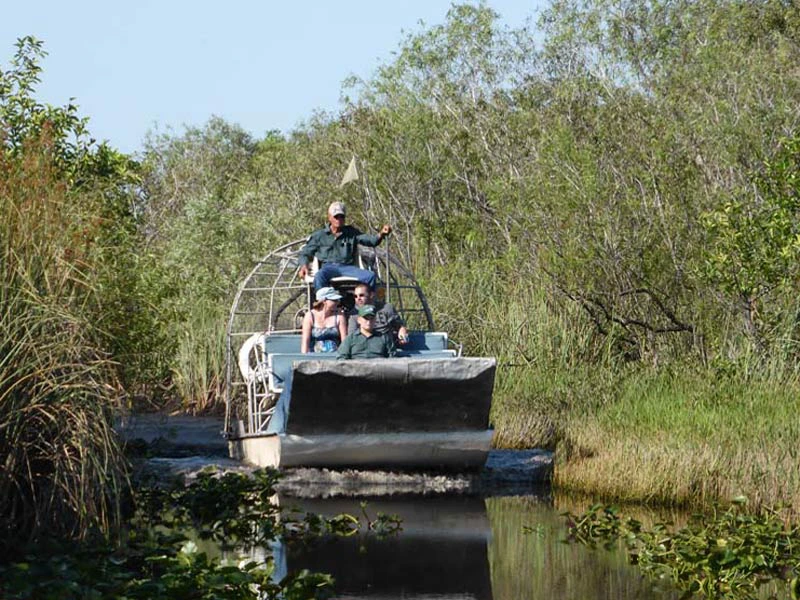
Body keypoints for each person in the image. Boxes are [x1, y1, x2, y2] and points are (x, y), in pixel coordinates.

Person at [297, 201, 392, 290]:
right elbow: (305, 253)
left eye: (341, 216)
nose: (339, 219)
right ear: (329, 217)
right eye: (336, 216)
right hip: (328, 268)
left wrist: (381, 234)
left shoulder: (352, 233)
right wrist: (303, 266)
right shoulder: (319, 235)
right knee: (319, 276)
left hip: (347, 267)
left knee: (370, 276)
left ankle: (366, 306)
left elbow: (371, 241)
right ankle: (323, 305)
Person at [301, 286, 347, 353]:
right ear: (324, 300)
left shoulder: (340, 316)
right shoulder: (310, 316)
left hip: (335, 358)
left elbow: (344, 342)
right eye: (334, 300)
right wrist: (304, 359)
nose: (337, 302)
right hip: (314, 358)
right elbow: (305, 341)